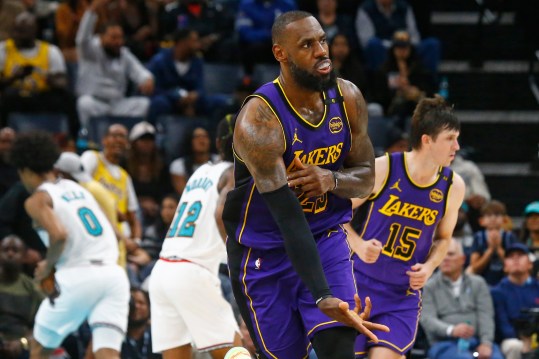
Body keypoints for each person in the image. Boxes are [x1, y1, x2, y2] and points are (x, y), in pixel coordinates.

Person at [223, 10, 389, 359]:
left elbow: (367, 179)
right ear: (280, 54)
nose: (321, 51)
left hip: (325, 238)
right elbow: (288, 219)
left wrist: (331, 179)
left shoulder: (348, 98)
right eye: (307, 45)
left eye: (322, 40)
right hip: (264, 253)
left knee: (339, 349)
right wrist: (321, 294)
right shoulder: (260, 119)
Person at [347, 95, 465, 358]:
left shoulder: (452, 186)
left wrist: (430, 267)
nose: (456, 146)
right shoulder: (384, 168)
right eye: (449, 138)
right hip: (357, 284)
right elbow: (335, 214)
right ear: (427, 140)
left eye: (457, 138)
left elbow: (444, 238)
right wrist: (359, 244)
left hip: (402, 295)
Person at [9, 131, 130, 359]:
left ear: (24, 170)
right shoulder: (77, 188)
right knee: (107, 354)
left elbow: (59, 235)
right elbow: (114, 231)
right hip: (114, 275)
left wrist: (47, 266)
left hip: (78, 276)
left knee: (38, 348)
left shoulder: (37, 199)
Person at [149, 115, 242, 358]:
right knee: (236, 353)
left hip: (163, 269)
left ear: (217, 143)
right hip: (192, 271)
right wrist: (238, 259)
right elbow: (221, 214)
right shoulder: (233, 173)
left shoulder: (201, 171)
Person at [75, 0, 154, 129]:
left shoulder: (123, 54)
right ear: (101, 37)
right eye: (113, 37)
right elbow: (82, 38)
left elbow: (140, 72)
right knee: (84, 103)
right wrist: (92, 11)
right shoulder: (89, 49)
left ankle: (125, 138)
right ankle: (89, 137)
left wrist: (147, 79)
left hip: (118, 105)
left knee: (143, 104)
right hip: (96, 104)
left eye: (120, 38)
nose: (118, 42)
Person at [420, 238, 504, 359]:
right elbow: (427, 319)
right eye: (443, 255)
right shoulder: (429, 286)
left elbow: (486, 315)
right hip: (443, 344)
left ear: (463, 259)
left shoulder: (478, 283)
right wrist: (451, 330)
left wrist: (486, 343)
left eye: (451, 254)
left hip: (477, 341)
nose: (446, 258)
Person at [0, 12, 79, 137]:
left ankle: (73, 138)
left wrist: (49, 79)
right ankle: (3, 138)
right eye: (15, 30)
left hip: (41, 97)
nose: (16, 35)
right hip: (14, 97)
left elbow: (62, 82)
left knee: (69, 99)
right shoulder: (3, 49)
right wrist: (15, 77)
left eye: (21, 31)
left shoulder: (51, 51)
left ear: (34, 31)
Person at [491, 243, 539, 359]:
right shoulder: (497, 291)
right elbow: (503, 326)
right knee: (514, 346)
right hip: (512, 339)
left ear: (530, 264)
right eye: (510, 257)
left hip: (537, 335)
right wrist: (525, 339)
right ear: (505, 266)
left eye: (520, 255)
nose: (515, 259)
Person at [0, 235, 44, 359]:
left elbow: (42, 327)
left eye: (15, 250)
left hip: (20, 346)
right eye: (5, 250)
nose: (10, 254)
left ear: (24, 257)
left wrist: (22, 343)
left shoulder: (33, 289)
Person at [469, 200, 517, 287]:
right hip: (483, 282)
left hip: (506, 282)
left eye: (497, 215)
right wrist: (490, 250)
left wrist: (498, 249)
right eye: (488, 215)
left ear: (504, 220)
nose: (493, 218)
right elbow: (474, 268)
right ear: (481, 221)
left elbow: (515, 266)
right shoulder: (479, 237)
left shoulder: (509, 237)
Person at [169, 125, 219, 195]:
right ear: (189, 141)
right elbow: (183, 193)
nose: (201, 140)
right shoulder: (178, 165)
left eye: (205, 136)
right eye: (197, 137)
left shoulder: (219, 161)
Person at [121, 288, 161, 359]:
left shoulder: (158, 336)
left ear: (149, 308)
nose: (136, 306)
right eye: (132, 303)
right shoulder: (118, 337)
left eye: (141, 303)